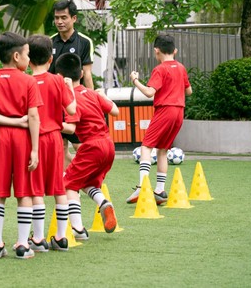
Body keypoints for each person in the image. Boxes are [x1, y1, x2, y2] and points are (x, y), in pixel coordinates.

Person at [0, 32, 42, 259]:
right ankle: (22, 245)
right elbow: (33, 117)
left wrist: (10, 121)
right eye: (27, 54)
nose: (29, 58)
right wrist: (35, 148)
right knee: (24, 192)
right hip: (22, 140)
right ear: (17, 56)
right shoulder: (28, 81)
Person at [55, 53, 120, 242]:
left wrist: (51, 124)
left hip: (90, 147)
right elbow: (115, 111)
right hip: (108, 145)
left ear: (60, 78)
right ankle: (104, 203)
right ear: (82, 73)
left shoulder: (69, 100)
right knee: (87, 183)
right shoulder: (92, 94)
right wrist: (102, 96)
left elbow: (70, 127)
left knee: (68, 185)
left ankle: (77, 228)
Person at [25, 34, 77, 253]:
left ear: (28, 60)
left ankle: (38, 239)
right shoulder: (57, 80)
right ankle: (61, 237)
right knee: (58, 188)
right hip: (56, 140)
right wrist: (70, 87)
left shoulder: (25, 82)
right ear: (50, 59)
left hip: (34, 140)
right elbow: (73, 110)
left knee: (35, 189)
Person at [126, 34, 192, 205]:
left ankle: (143, 186)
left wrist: (135, 80)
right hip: (179, 113)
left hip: (165, 110)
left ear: (156, 51)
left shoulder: (160, 69)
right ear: (174, 51)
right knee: (162, 150)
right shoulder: (181, 67)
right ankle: (160, 191)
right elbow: (189, 91)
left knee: (146, 147)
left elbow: (149, 92)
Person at [47, 0, 95, 169]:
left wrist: (91, 101)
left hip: (76, 103)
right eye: (56, 18)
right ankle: (70, 182)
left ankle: (84, 180)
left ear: (74, 18)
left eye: (64, 17)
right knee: (60, 148)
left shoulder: (84, 42)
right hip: (54, 103)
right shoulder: (49, 42)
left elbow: (87, 74)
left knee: (80, 146)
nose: (59, 21)